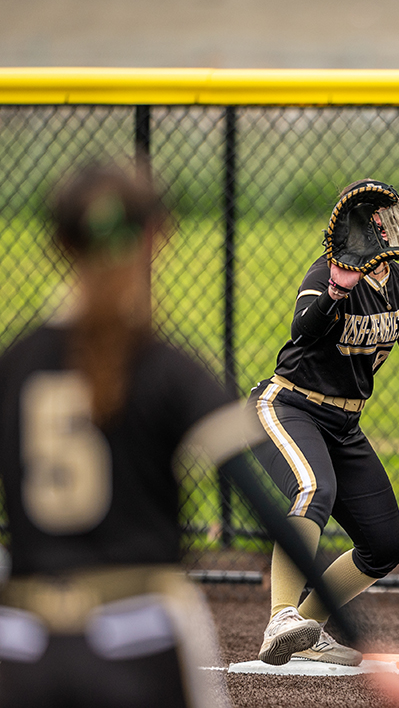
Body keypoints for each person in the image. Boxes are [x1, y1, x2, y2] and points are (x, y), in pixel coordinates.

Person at [0, 162, 369, 708]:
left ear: (59, 243)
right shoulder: (167, 367)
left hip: (25, 645)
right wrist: (361, 636)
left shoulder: (16, 364)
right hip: (141, 636)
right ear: (156, 237)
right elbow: (261, 508)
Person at [250, 179, 399, 667]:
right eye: (378, 221)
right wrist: (336, 290)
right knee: (313, 487)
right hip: (289, 406)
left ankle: (306, 632)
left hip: (344, 423)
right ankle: (281, 617)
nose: (390, 228)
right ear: (359, 232)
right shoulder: (327, 273)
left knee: (385, 545)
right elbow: (302, 329)